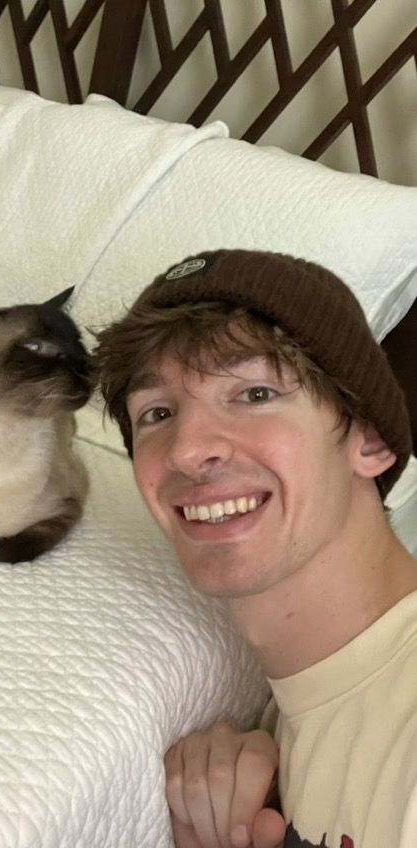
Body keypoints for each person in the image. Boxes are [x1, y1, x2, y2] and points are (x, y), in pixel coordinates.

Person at [93, 249, 417, 848]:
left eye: (256, 395)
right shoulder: (293, 719)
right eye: (157, 413)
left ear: (369, 438)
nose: (187, 451)